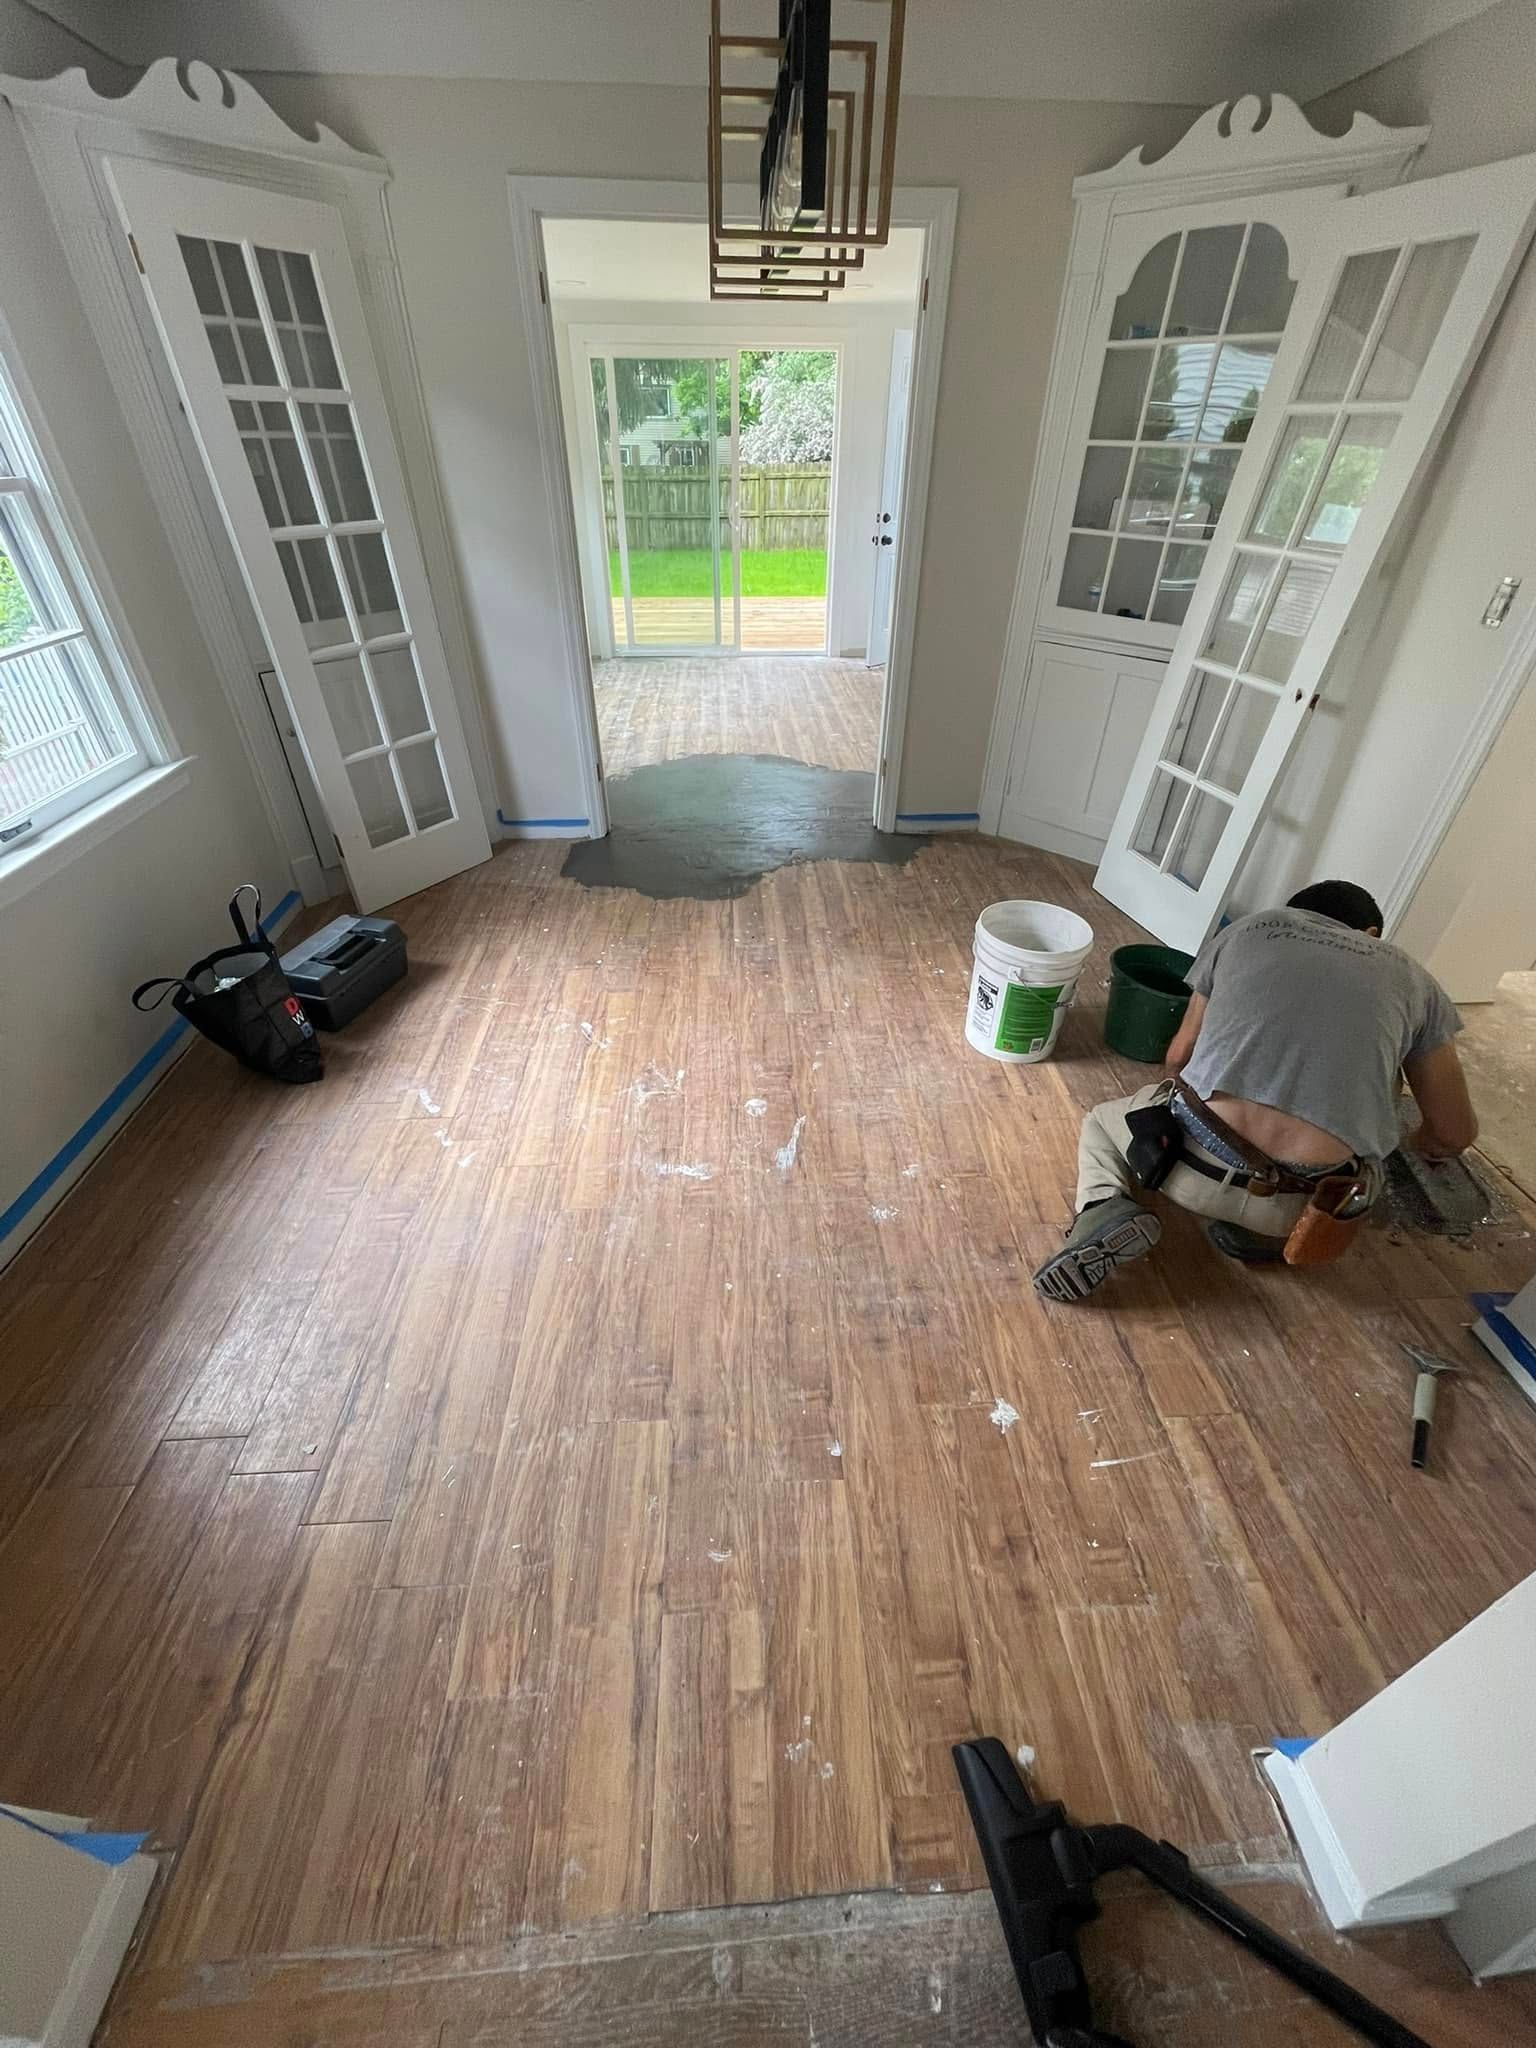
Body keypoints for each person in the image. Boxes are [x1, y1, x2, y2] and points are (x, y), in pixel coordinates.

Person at [1032, 880, 1477, 1302]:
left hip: (1186, 1173)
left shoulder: (1249, 930)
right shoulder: (1415, 980)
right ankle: (1263, 1237)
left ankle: (1102, 1206)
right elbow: (1453, 1134)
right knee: (1372, 1152)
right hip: (1307, 1206)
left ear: (1293, 913)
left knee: (1102, 1122)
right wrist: (1404, 1142)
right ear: (1371, 934)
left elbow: (1178, 1057)